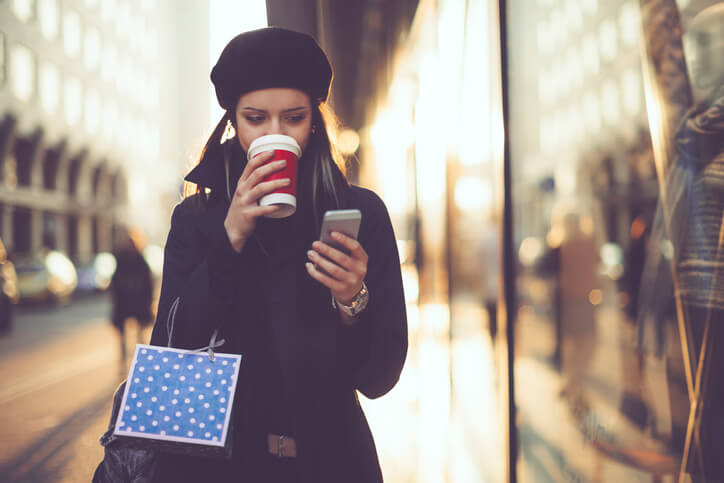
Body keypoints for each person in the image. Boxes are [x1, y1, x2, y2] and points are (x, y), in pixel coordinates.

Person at [147, 27, 407, 482]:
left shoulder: (359, 213)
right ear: (233, 121)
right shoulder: (198, 218)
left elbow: (379, 378)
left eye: (293, 117)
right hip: (219, 470)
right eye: (256, 118)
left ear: (313, 120)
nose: (275, 133)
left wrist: (352, 299)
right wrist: (230, 237)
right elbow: (172, 354)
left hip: (333, 464)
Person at [109, 227, 154, 363]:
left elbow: (148, 283)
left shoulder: (140, 261)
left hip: (138, 301)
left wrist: (148, 301)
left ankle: (141, 361)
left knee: (140, 335)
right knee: (123, 335)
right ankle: (124, 361)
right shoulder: (122, 260)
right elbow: (115, 282)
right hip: (125, 301)